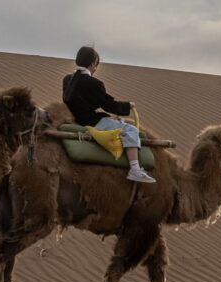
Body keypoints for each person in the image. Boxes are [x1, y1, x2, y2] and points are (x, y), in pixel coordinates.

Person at [63, 47, 155, 184]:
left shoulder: (67, 80)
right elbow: (109, 105)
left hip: (76, 120)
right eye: (97, 64)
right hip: (92, 121)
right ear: (93, 64)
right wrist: (127, 105)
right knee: (131, 130)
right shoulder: (93, 83)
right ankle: (135, 169)